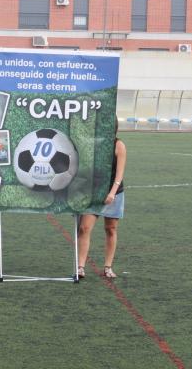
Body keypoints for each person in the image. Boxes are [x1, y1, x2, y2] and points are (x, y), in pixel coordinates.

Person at [77, 117, 126, 279]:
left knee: (110, 229)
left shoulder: (119, 145)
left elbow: (119, 174)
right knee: (84, 228)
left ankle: (108, 267)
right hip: (94, 193)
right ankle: (80, 267)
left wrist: (112, 193)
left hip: (114, 193)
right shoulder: (93, 144)